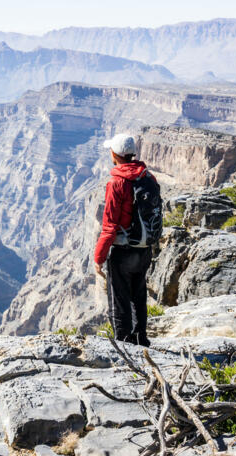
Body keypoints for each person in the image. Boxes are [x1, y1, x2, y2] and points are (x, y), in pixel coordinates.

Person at [94, 132, 153, 347]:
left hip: (123, 252)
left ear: (115, 154)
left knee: (119, 300)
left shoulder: (117, 183)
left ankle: (124, 344)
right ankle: (141, 340)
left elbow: (109, 226)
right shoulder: (147, 177)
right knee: (138, 296)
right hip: (145, 249)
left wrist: (98, 258)